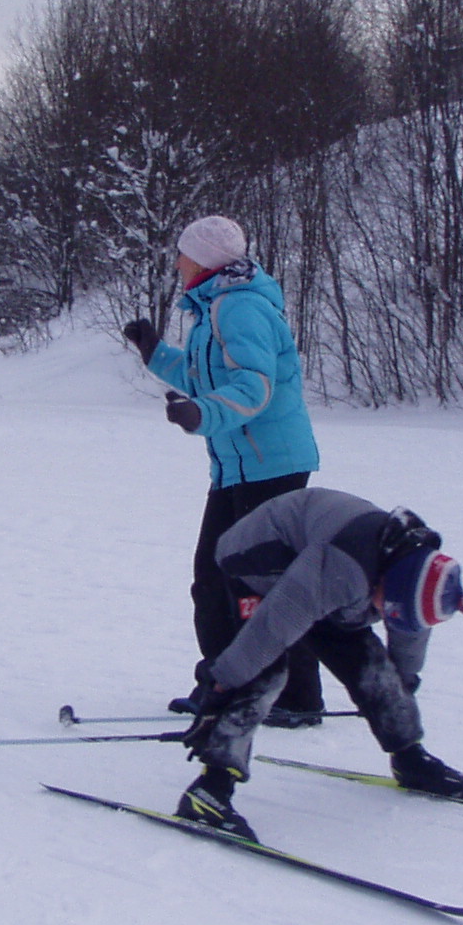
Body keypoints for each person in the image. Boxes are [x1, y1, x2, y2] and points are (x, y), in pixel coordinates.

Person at [169, 486, 463, 842]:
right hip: (258, 560)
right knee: (264, 671)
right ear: (387, 583)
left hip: (327, 573)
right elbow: (270, 630)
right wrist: (222, 684)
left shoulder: (419, 566)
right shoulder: (341, 568)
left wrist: (400, 684)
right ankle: (210, 790)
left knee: (373, 667)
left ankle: (410, 759)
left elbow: (409, 630)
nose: (385, 615)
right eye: (387, 607)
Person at [122, 215, 328, 728]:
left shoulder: (240, 307)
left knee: (259, 586)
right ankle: (227, 682)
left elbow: (252, 388)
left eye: (183, 253)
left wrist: (201, 414)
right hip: (239, 465)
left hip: (271, 465)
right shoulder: (215, 305)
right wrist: (155, 354)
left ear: (206, 259)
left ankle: (291, 696)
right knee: (216, 580)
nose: (176, 261)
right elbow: (201, 374)